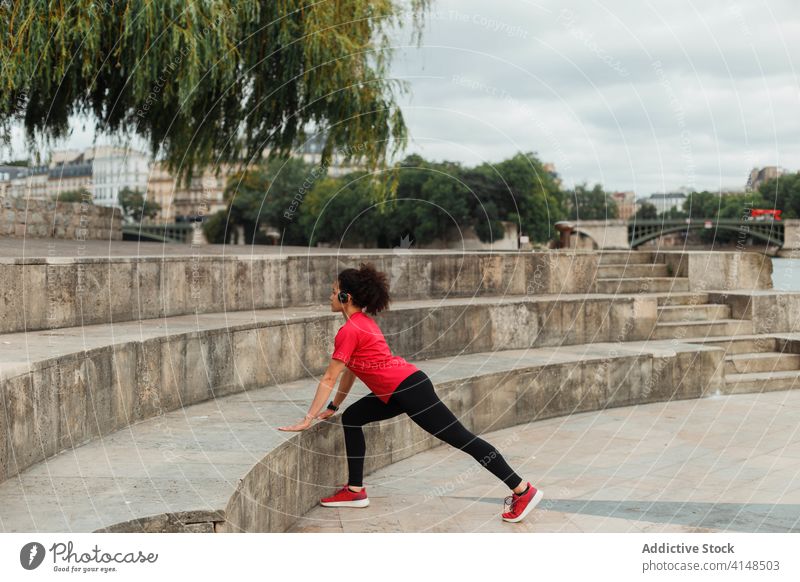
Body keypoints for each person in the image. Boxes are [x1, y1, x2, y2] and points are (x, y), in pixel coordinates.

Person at [278, 262, 543, 523]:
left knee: (463, 439)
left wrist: (308, 418)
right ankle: (355, 491)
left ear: (346, 297)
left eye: (334, 290)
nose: (330, 295)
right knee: (352, 418)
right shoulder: (360, 323)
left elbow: (329, 376)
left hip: (409, 390)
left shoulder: (350, 330)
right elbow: (351, 370)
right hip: (397, 390)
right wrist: (335, 406)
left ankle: (522, 489)